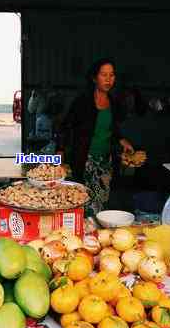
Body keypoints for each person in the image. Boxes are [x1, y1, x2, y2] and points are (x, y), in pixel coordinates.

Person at [55, 58, 136, 215]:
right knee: (80, 200)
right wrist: (60, 152)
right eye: (103, 74)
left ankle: (95, 235)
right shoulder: (82, 102)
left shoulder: (113, 102)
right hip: (83, 160)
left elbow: (111, 128)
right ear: (94, 78)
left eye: (111, 75)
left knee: (101, 202)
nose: (108, 79)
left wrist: (122, 140)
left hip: (105, 163)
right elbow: (64, 128)